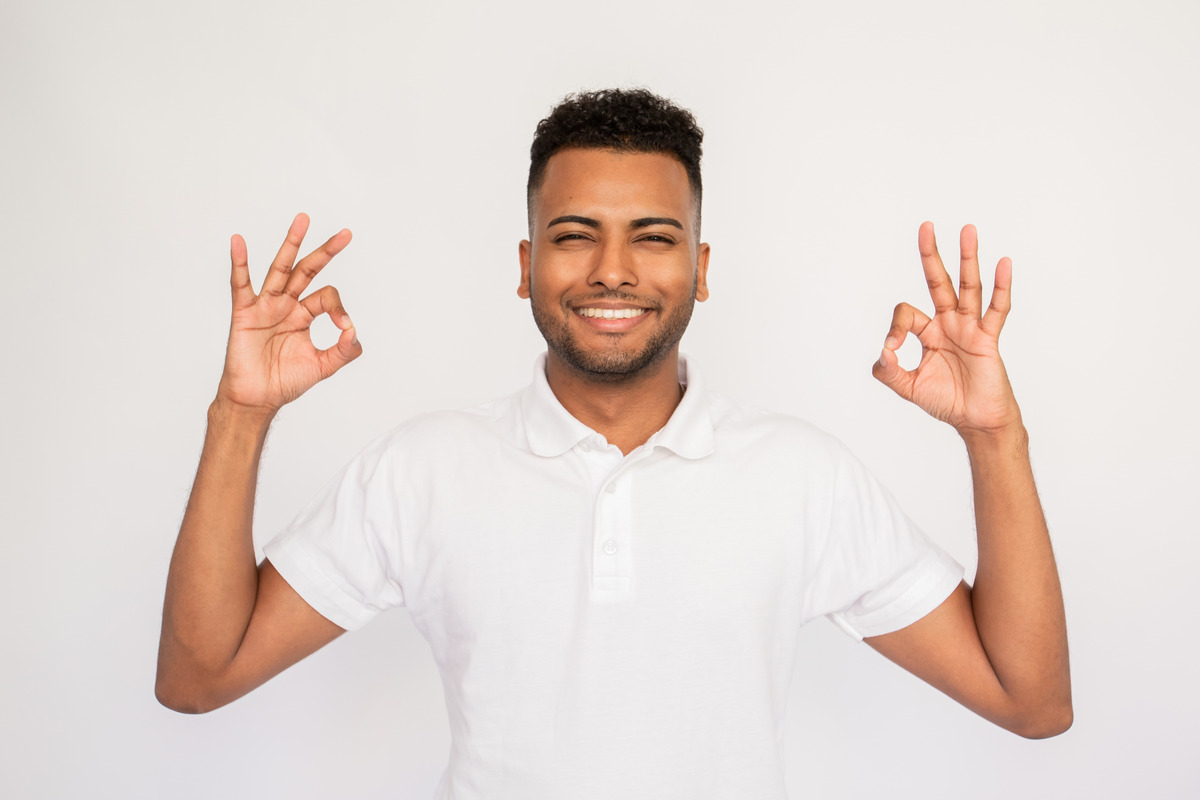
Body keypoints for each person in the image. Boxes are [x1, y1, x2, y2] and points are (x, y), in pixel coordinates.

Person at [156, 89, 1071, 797]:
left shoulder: (801, 477)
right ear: (526, 268)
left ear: (701, 272)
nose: (613, 271)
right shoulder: (424, 469)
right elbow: (198, 678)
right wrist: (240, 415)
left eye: (655, 237)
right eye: (574, 235)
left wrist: (995, 435)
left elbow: (1029, 701)